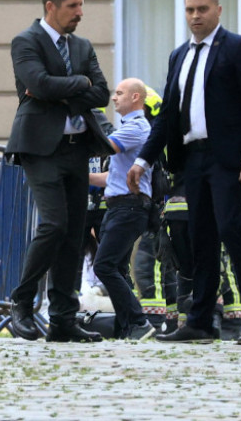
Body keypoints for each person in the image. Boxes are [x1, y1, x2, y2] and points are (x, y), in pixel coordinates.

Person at [128, 0, 241, 345]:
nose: (196, 16)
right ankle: (200, 321)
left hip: (228, 158)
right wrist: (144, 160)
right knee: (201, 239)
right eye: (190, 10)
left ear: (218, 10)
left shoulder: (238, 48)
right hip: (191, 159)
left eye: (202, 9)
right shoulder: (178, 56)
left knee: (231, 230)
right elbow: (165, 117)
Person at [7, 0, 112, 343]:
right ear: (51, 6)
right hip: (40, 147)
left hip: (78, 148)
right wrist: (78, 85)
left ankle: (63, 318)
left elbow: (100, 92)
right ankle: (21, 303)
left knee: (73, 233)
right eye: (73, 6)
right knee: (53, 225)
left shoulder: (82, 46)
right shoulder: (26, 41)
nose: (80, 13)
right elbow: (38, 81)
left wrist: (64, 88)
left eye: (82, 5)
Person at [88, 78, 157, 340]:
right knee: (115, 267)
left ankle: (138, 322)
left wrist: (88, 117)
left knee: (104, 266)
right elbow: (112, 177)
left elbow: (105, 145)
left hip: (128, 207)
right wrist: (80, 177)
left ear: (136, 98)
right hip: (121, 206)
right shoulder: (129, 127)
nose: (114, 98)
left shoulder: (136, 127)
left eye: (119, 93)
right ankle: (127, 327)